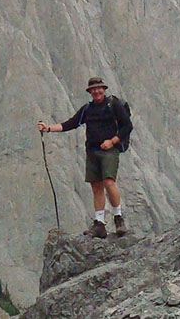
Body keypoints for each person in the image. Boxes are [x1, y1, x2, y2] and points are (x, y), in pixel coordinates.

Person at [37, 76, 133, 238]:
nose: (96, 91)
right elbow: (71, 123)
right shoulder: (87, 109)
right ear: (90, 92)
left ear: (104, 89)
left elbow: (127, 126)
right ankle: (100, 223)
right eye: (93, 89)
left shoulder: (113, 105)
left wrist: (112, 141)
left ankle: (118, 218)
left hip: (109, 150)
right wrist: (48, 129)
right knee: (96, 186)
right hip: (92, 150)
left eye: (99, 88)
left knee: (109, 182)